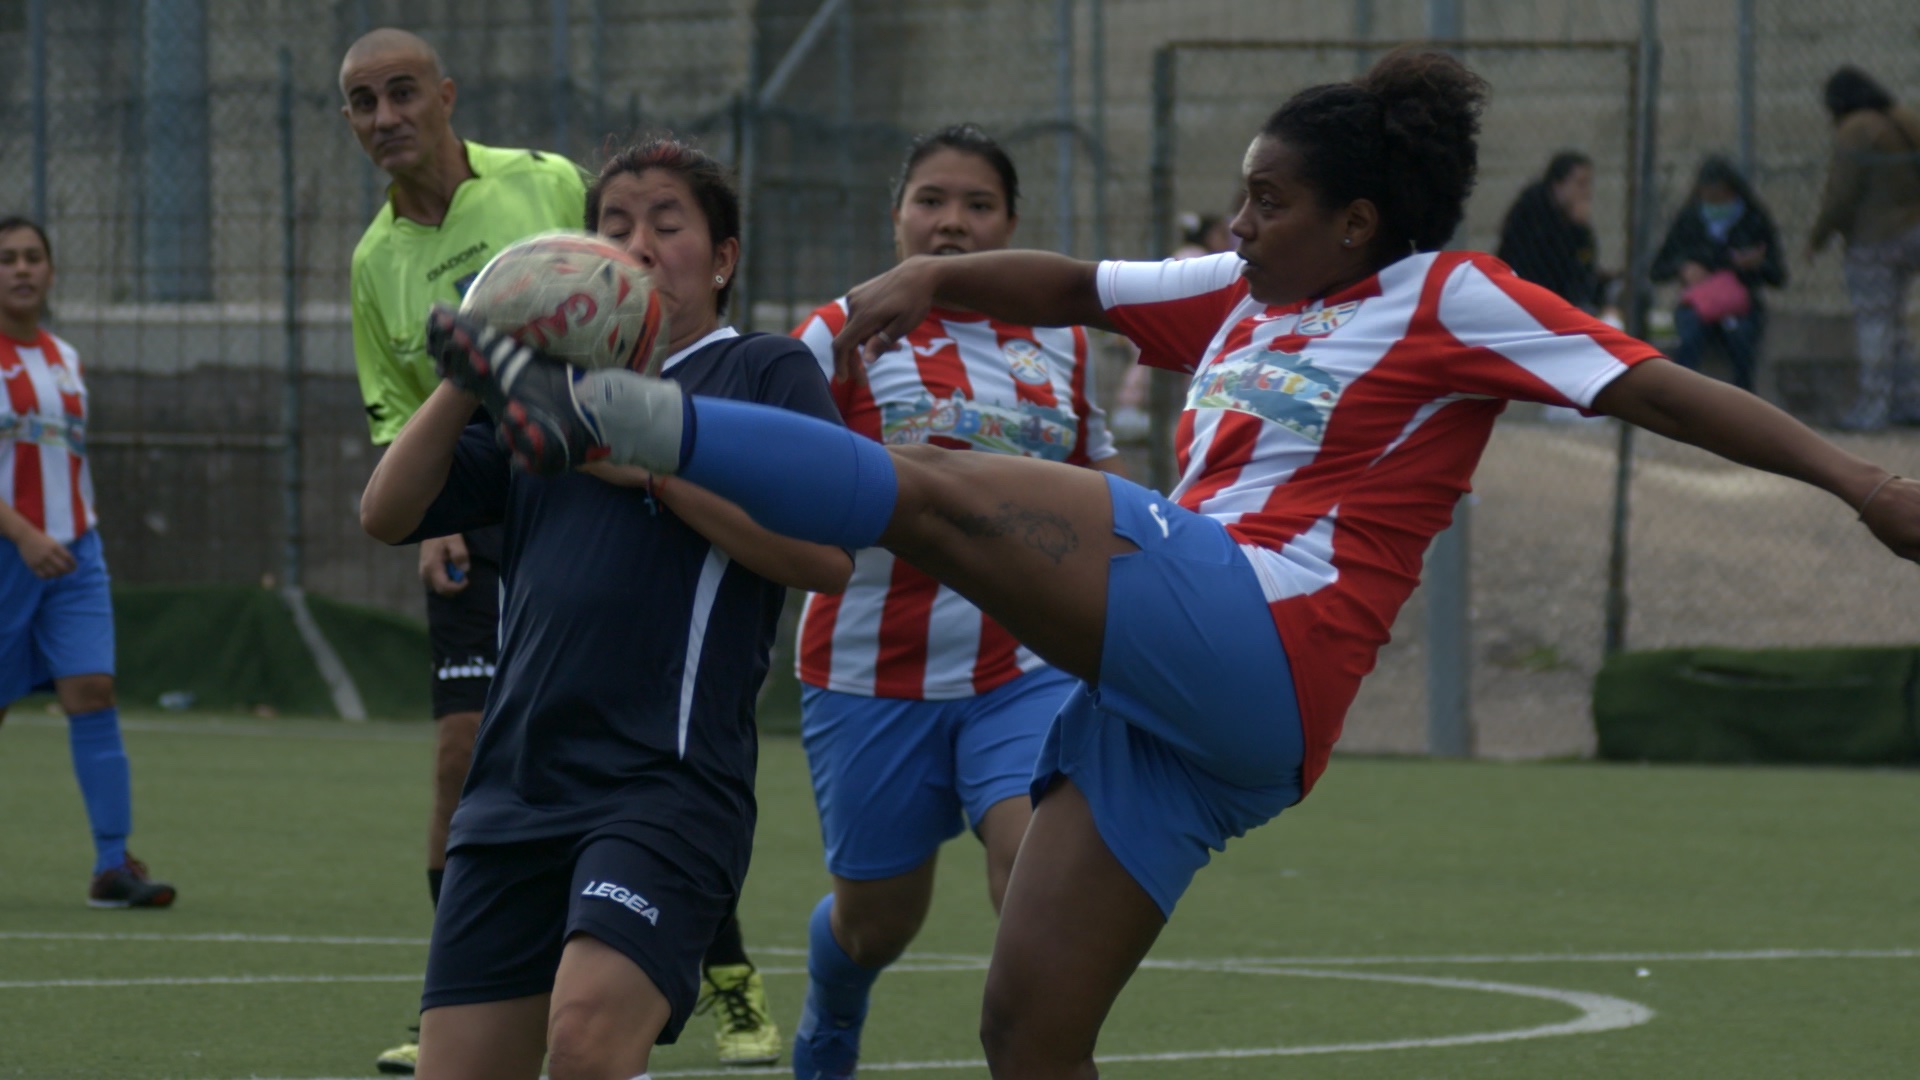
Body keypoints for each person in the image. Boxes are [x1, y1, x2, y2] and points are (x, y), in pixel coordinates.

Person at [450, 48, 1920, 1080]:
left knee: (937, 495)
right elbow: (1076, 284)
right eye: (1240, 195)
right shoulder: (1243, 288)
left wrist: (1857, 481)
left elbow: (1658, 385)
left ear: (1357, 221)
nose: (1238, 222)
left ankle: (609, 415)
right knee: (1029, 1036)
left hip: (1267, 629)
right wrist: (936, 278)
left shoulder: (1449, 294)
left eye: (1268, 201)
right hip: (1187, 725)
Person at [361, 138, 850, 1080]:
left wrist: (649, 467)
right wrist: (470, 373)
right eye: (613, 227)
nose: (637, 243)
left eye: (667, 225)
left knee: (585, 1045)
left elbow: (828, 557)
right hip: (513, 789)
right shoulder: (543, 397)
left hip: (659, 784)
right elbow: (388, 512)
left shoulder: (760, 371)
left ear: (723, 258)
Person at [787, 124, 1120, 1079]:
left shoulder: (1063, 342)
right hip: (868, 675)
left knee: (1034, 876)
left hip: (1027, 668)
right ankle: (833, 1012)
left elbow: (1098, 480)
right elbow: (778, 473)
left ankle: (1039, 1055)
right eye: (931, 200)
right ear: (895, 217)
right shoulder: (835, 331)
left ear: (1012, 224)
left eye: (978, 205)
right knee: (875, 923)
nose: (952, 223)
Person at [0, 216, 176, 910]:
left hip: (75, 554)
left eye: (33, 257)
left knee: (93, 690)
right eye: (7, 258)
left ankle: (112, 866)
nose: (21, 269)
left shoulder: (65, 358)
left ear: (50, 270)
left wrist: (70, 536)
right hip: (12, 552)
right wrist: (21, 534)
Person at [1808, 66, 1920, 431]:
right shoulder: (1905, 118)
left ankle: (1872, 410)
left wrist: (1818, 237)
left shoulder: (1855, 129)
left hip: (1876, 240)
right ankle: (1909, 402)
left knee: (1875, 323)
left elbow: (1841, 193)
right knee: (1897, 324)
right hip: (1914, 230)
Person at [1650, 155, 1786, 393]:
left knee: (1741, 336)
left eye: (1721, 197)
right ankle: (1679, 397)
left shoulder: (1753, 221)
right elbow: (1658, 269)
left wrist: (1754, 265)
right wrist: (1684, 269)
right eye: (1709, 197)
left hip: (1739, 304)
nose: (1715, 204)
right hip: (1699, 304)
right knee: (1689, 335)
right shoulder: (1690, 220)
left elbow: (1778, 276)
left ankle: (1743, 402)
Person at [1496, 150, 1610, 314]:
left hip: (1565, 297)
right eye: (1580, 183)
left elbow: (1585, 267)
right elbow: (1549, 266)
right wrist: (1576, 230)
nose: (1586, 192)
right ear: (1558, 185)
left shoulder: (1573, 219)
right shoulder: (1533, 212)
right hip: (1528, 296)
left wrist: (1581, 230)